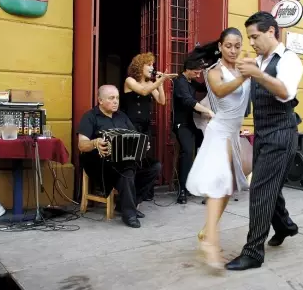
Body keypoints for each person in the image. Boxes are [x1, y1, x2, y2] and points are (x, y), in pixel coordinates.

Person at [225, 11, 303, 271]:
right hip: (263, 133)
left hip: (282, 134)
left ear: (271, 31)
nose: (252, 42)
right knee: (269, 187)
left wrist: (256, 73)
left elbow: (284, 92)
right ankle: (286, 226)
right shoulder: (259, 60)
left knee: (260, 189)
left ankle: (253, 253)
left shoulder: (289, 60)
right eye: (250, 37)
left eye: (255, 36)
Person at [185, 27, 251, 270]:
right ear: (220, 47)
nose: (233, 50)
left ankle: (206, 232)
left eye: (237, 45)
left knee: (229, 187)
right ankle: (210, 244)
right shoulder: (214, 71)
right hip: (219, 132)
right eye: (228, 46)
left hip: (233, 132)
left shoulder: (241, 67)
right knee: (219, 186)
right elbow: (222, 91)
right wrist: (246, 76)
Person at [78, 85, 162, 229]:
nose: (116, 101)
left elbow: (135, 136)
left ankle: (128, 204)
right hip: (99, 161)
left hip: (123, 159)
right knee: (127, 170)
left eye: (117, 98)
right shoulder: (90, 116)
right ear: (100, 100)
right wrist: (95, 142)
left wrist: (142, 145)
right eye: (111, 98)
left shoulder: (122, 116)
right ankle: (129, 213)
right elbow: (81, 145)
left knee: (155, 166)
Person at [122, 52, 176, 200]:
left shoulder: (150, 84)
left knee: (144, 160)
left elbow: (162, 101)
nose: (152, 67)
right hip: (131, 126)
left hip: (145, 127)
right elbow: (143, 91)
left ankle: (141, 193)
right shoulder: (130, 81)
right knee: (133, 161)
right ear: (140, 66)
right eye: (149, 64)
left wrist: (160, 82)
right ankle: (130, 196)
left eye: (153, 64)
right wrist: (160, 81)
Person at [172, 57, 214, 204]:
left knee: (207, 149)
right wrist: (208, 111)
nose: (198, 75)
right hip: (181, 124)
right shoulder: (180, 82)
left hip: (193, 124)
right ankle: (182, 190)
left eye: (199, 72)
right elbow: (189, 101)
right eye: (196, 72)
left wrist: (212, 73)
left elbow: (204, 87)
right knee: (188, 152)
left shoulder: (191, 81)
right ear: (187, 70)